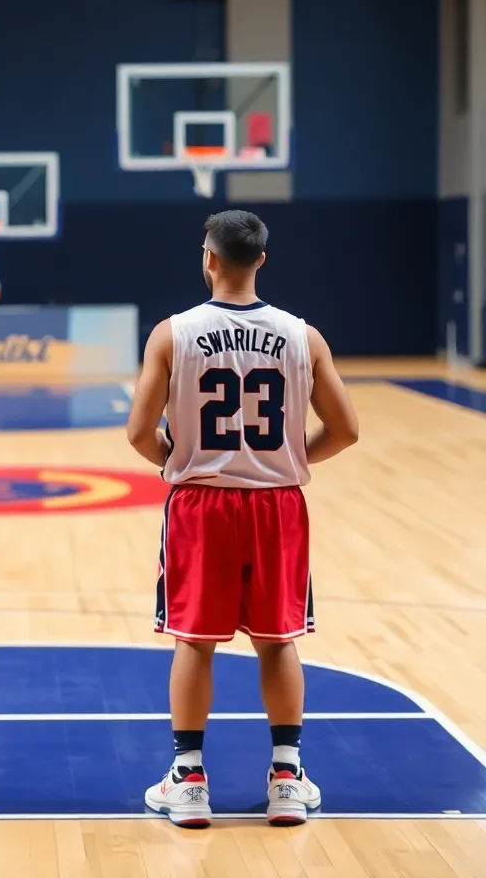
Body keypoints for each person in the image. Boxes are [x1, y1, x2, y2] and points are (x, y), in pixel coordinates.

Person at [126, 210, 359, 829]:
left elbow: (138, 433)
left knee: (195, 642)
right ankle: (286, 777)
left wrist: (177, 462)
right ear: (261, 259)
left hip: (202, 504)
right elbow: (348, 430)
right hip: (277, 504)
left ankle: (188, 780)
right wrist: (284, 459)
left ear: (208, 259)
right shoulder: (302, 336)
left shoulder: (172, 334)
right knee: (277, 640)